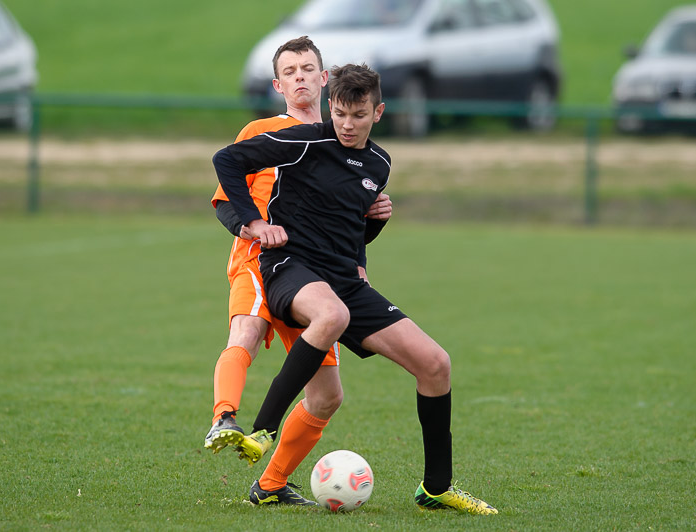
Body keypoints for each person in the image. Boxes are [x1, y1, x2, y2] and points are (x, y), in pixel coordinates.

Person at [214, 63, 497, 515]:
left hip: (342, 278)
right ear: (331, 107)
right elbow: (226, 160)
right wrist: (253, 222)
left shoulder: (379, 164)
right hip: (289, 267)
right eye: (341, 114)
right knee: (332, 316)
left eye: (359, 115)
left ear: (378, 112)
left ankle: (436, 488)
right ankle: (263, 429)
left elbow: (348, 229)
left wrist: (374, 225)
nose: (348, 125)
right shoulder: (305, 141)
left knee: (435, 364)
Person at [205, 36, 392, 495]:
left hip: (315, 275)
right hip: (260, 260)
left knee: (328, 395)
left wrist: (369, 232)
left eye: (307, 69)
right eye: (289, 72)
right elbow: (225, 199)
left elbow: (343, 220)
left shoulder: (340, 138)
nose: (300, 77)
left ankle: (271, 485)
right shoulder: (263, 131)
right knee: (247, 330)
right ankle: (224, 418)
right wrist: (253, 227)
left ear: (324, 79)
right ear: (277, 85)